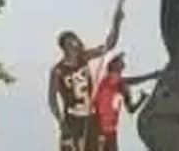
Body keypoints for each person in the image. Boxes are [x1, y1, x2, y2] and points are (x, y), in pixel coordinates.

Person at [48, 11, 124, 151]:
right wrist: (61, 122)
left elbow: (109, 45)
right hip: (72, 119)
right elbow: (52, 99)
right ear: (64, 47)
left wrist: (117, 23)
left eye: (75, 41)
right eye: (70, 43)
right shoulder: (58, 71)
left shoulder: (84, 58)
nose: (74, 45)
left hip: (91, 116)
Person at [92, 53, 159, 151]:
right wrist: (151, 76)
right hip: (99, 127)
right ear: (112, 65)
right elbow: (131, 81)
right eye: (119, 60)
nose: (123, 62)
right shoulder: (110, 79)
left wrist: (142, 98)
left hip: (110, 129)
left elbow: (131, 109)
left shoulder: (122, 86)